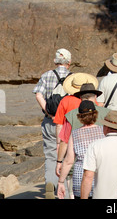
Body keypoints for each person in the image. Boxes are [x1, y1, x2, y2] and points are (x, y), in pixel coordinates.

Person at [33, 48, 72, 199]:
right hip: (68, 121)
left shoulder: (46, 75)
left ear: (55, 61)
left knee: (50, 154)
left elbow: (38, 94)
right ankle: (66, 190)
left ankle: (50, 182)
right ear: (69, 62)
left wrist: (48, 112)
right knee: (68, 154)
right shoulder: (73, 78)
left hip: (50, 120)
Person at [55, 82, 107, 178]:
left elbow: (64, 141)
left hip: (79, 165)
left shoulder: (71, 115)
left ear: (80, 97)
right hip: (104, 163)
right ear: (95, 96)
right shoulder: (107, 113)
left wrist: (59, 161)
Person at [57, 100, 104, 200]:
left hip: (80, 179)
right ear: (95, 114)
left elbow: (69, 161)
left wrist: (61, 182)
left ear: (79, 117)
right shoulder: (103, 131)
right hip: (100, 178)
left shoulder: (75, 134)